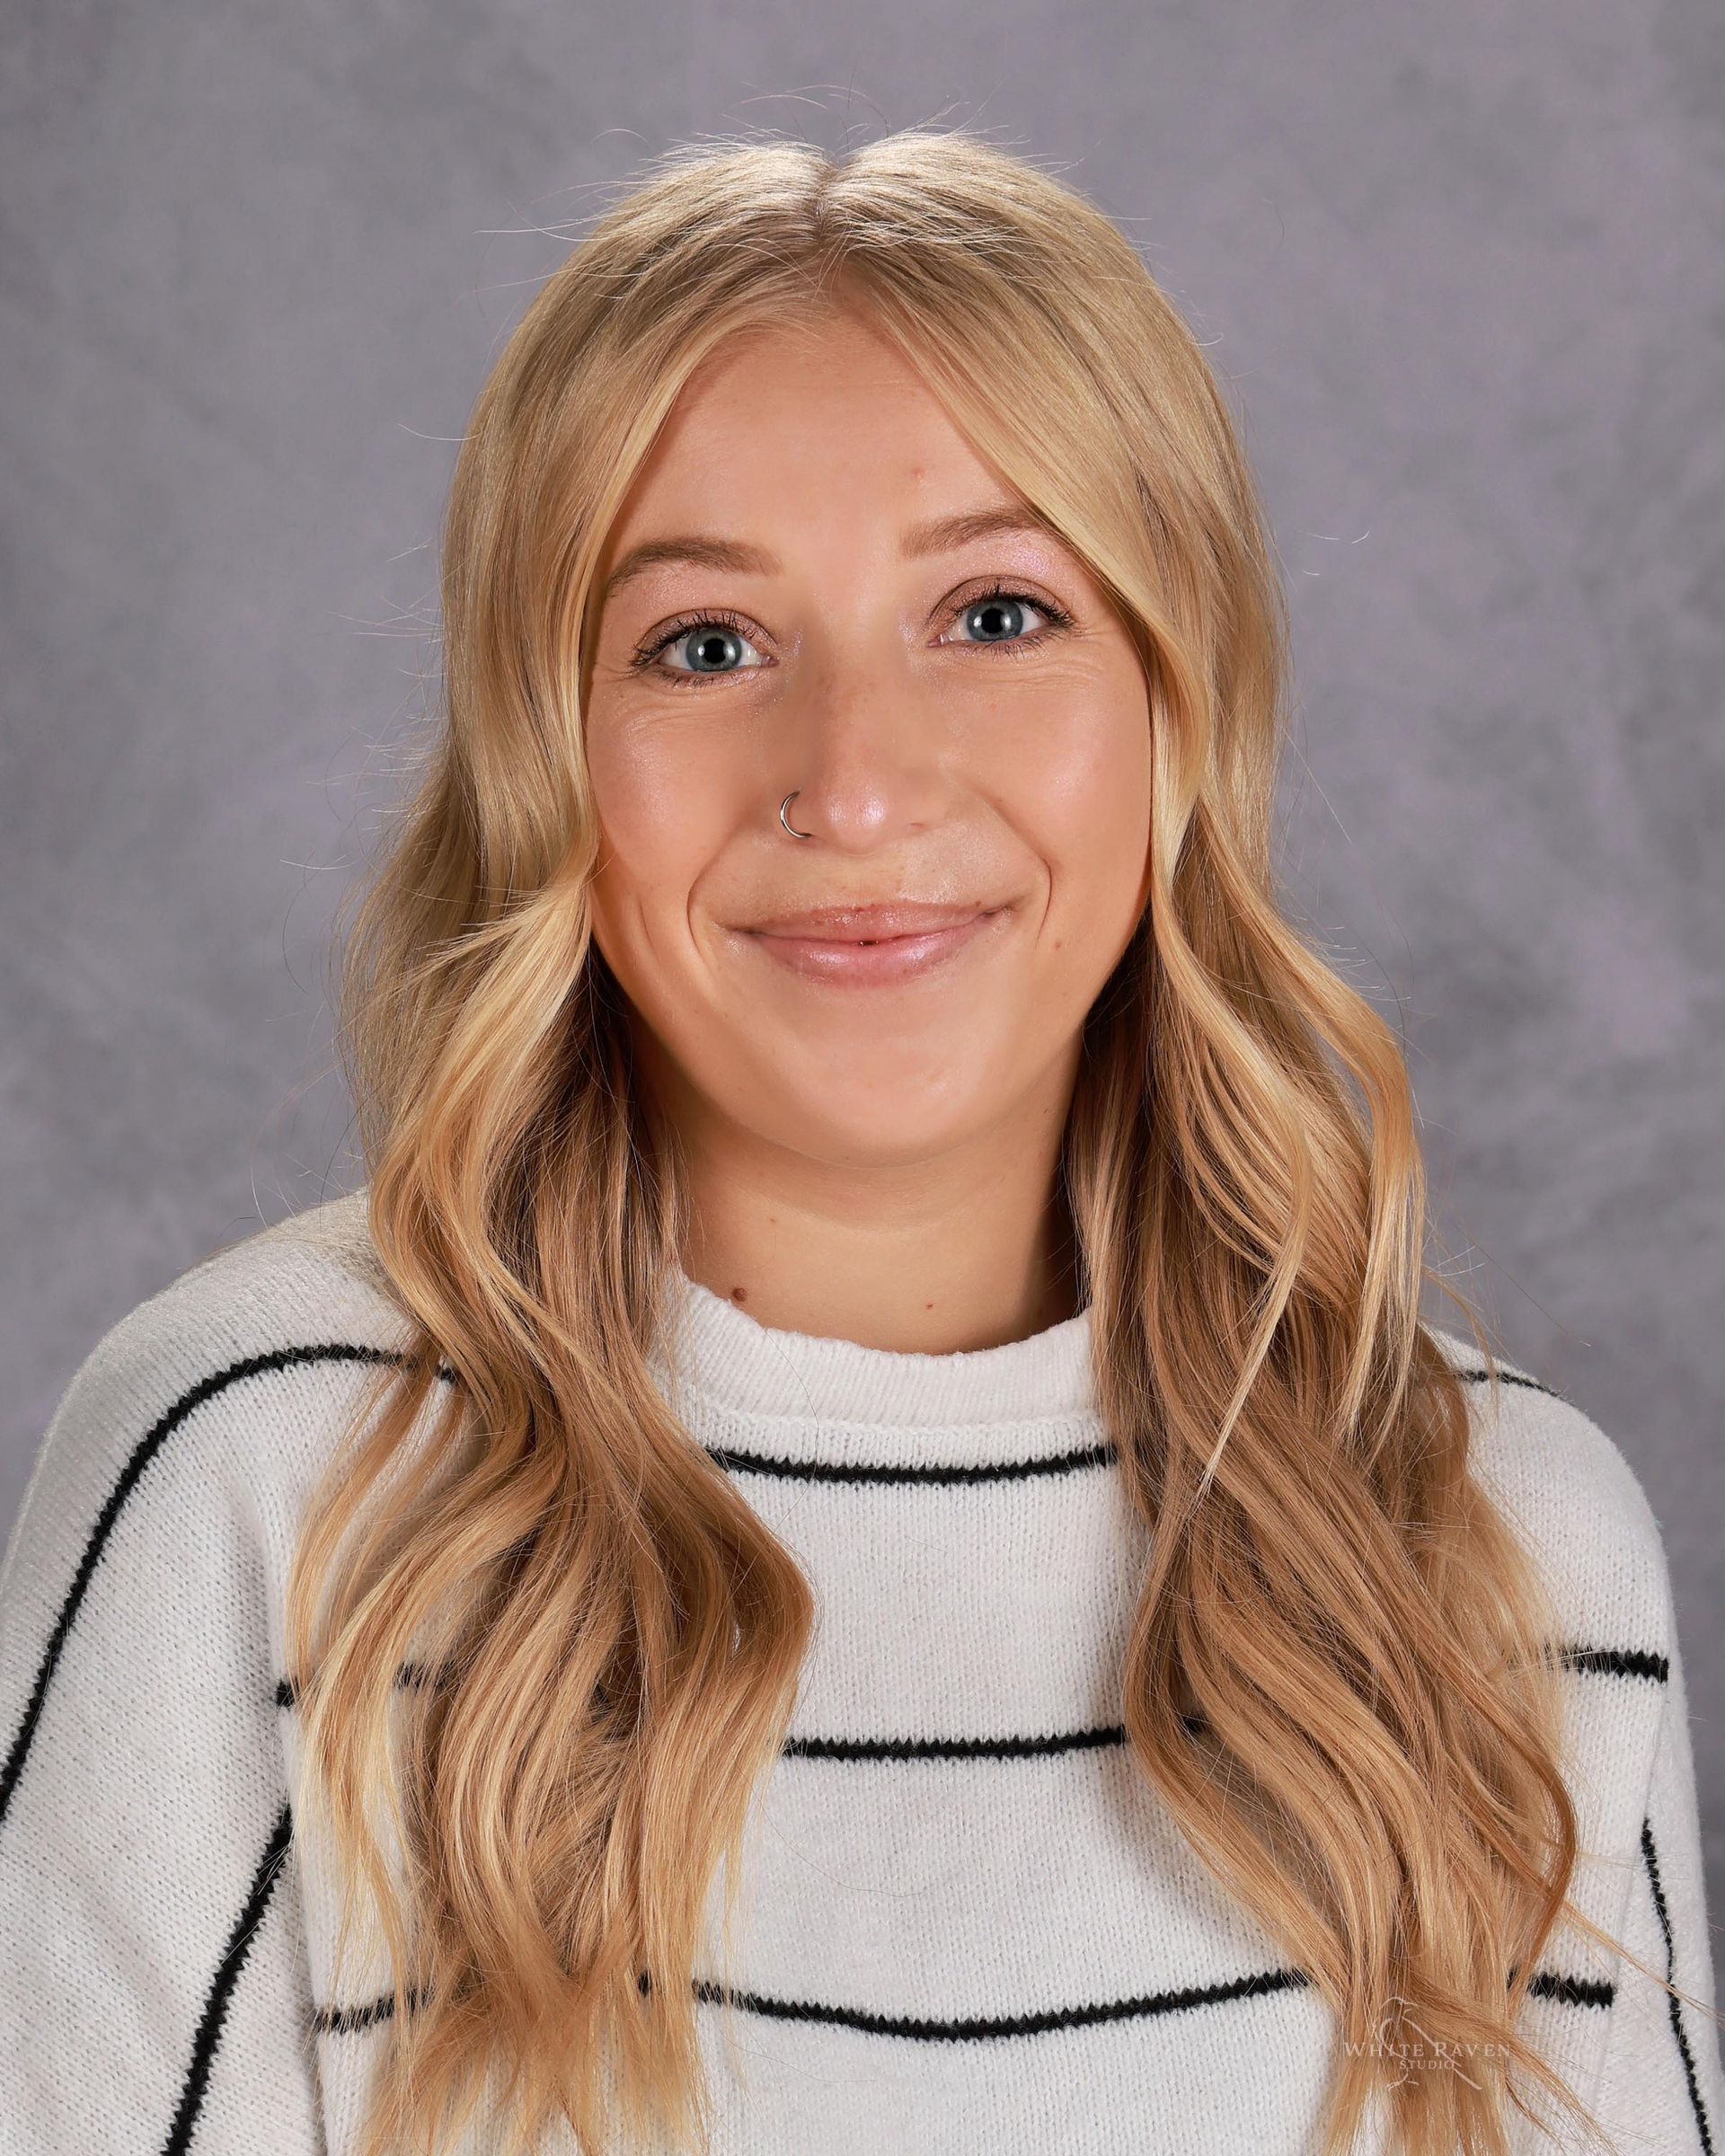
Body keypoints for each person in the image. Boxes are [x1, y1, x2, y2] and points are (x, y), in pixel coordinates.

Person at [1, 127, 1719, 2156]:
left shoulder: (1499, 1548)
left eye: (997, 614)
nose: (857, 784)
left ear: (1185, 705)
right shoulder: (266, 1478)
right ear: (545, 756)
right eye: (704, 646)